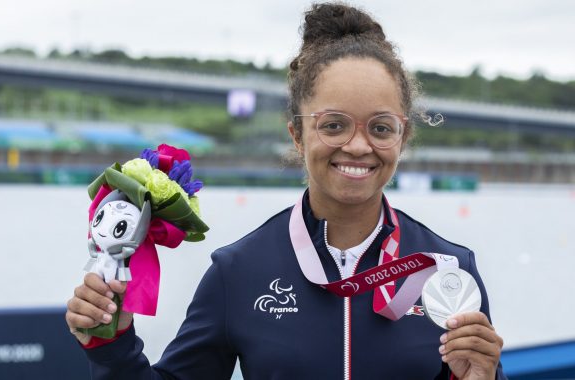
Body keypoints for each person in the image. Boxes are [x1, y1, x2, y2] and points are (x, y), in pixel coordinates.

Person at [66, 3, 505, 379]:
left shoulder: (448, 270)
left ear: (402, 137)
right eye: (333, 125)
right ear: (297, 134)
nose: (357, 145)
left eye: (380, 127)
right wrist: (112, 343)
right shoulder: (238, 271)